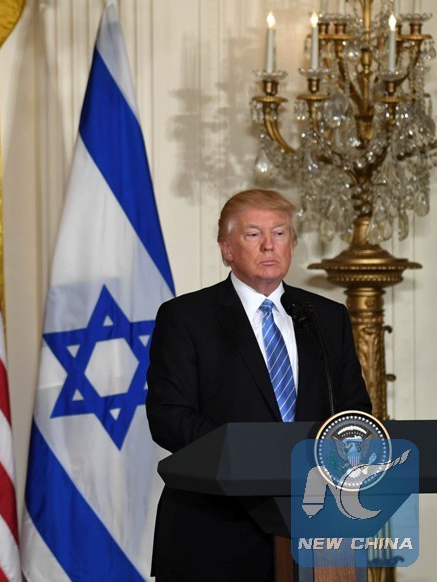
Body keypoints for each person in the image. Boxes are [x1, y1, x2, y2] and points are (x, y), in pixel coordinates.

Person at [145, 189, 372, 581]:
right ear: (226, 249)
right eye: (253, 234)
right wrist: (251, 455)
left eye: (280, 233)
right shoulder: (186, 317)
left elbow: (356, 411)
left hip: (316, 525)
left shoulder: (326, 317)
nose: (269, 245)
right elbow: (168, 417)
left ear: (292, 244)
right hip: (215, 529)